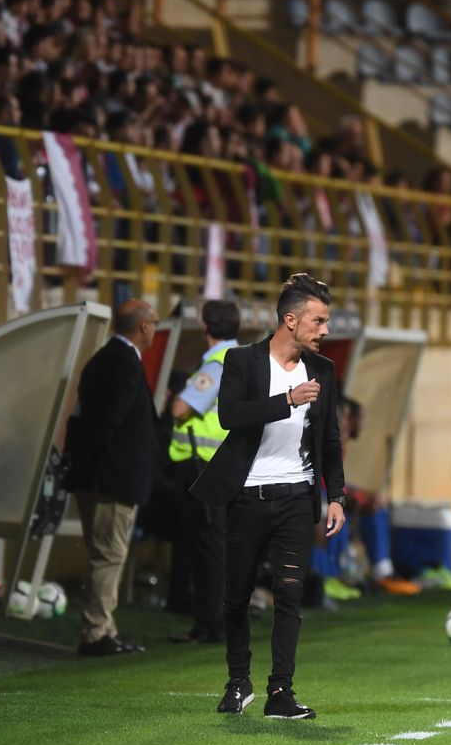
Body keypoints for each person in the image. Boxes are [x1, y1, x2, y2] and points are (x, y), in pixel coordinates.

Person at [191, 274, 346, 720]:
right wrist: (288, 400)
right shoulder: (242, 361)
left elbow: (330, 439)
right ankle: (238, 682)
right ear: (290, 320)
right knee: (236, 594)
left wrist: (335, 496)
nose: (325, 330)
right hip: (247, 494)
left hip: (298, 496)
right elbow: (229, 415)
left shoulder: (324, 370)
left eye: (327, 321)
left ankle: (281, 691)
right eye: (318, 321)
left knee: (290, 593)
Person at [64, 300, 159, 657]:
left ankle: (104, 628)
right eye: (154, 322)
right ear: (144, 327)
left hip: (94, 476)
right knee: (110, 555)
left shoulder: (100, 359)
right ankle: (96, 633)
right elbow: (110, 422)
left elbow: (81, 416)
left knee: (102, 553)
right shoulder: (126, 363)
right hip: (112, 479)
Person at [166, 300, 239, 646]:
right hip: (224, 464)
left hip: (202, 466)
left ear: (204, 325)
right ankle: (214, 621)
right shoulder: (243, 359)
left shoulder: (218, 362)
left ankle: (211, 624)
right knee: (218, 546)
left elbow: (182, 408)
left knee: (208, 548)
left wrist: (175, 396)